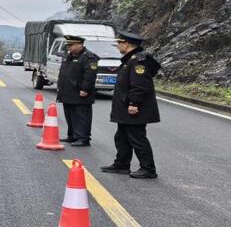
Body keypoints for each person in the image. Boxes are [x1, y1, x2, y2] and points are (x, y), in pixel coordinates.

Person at [101, 30, 161, 179]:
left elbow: (139, 85)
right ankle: (122, 164)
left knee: (137, 138)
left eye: (119, 43)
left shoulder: (138, 61)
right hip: (125, 107)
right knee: (121, 137)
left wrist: (134, 103)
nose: (117, 46)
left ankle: (148, 169)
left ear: (126, 44)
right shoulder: (130, 60)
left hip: (134, 108)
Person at [56, 35, 98, 147]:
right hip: (67, 92)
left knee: (81, 116)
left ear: (80, 44)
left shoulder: (89, 57)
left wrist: (85, 89)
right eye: (68, 45)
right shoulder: (68, 56)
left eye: (71, 45)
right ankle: (72, 136)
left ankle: (83, 138)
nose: (69, 47)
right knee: (70, 115)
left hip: (80, 92)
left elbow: (90, 75)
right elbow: (63, 73)